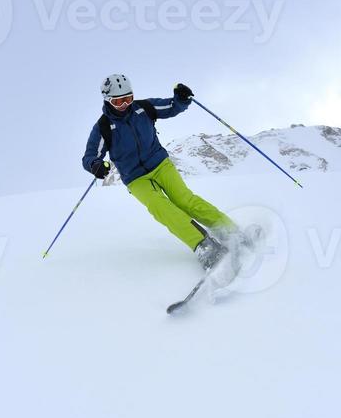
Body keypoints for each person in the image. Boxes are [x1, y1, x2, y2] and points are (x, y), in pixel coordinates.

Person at [82, 73, 238, 271]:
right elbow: (89, 156)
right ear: (107, 100)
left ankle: (232, 232)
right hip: (135, 178)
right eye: (118, 101)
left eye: (128, 98)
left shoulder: (144, 108)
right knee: (162, 209)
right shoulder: (103, 127)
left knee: (185, 200)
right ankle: (204, 246)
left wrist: (181, 98)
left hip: (160, 164)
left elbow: (172, 106)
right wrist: (95, 164)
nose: (125, 104)